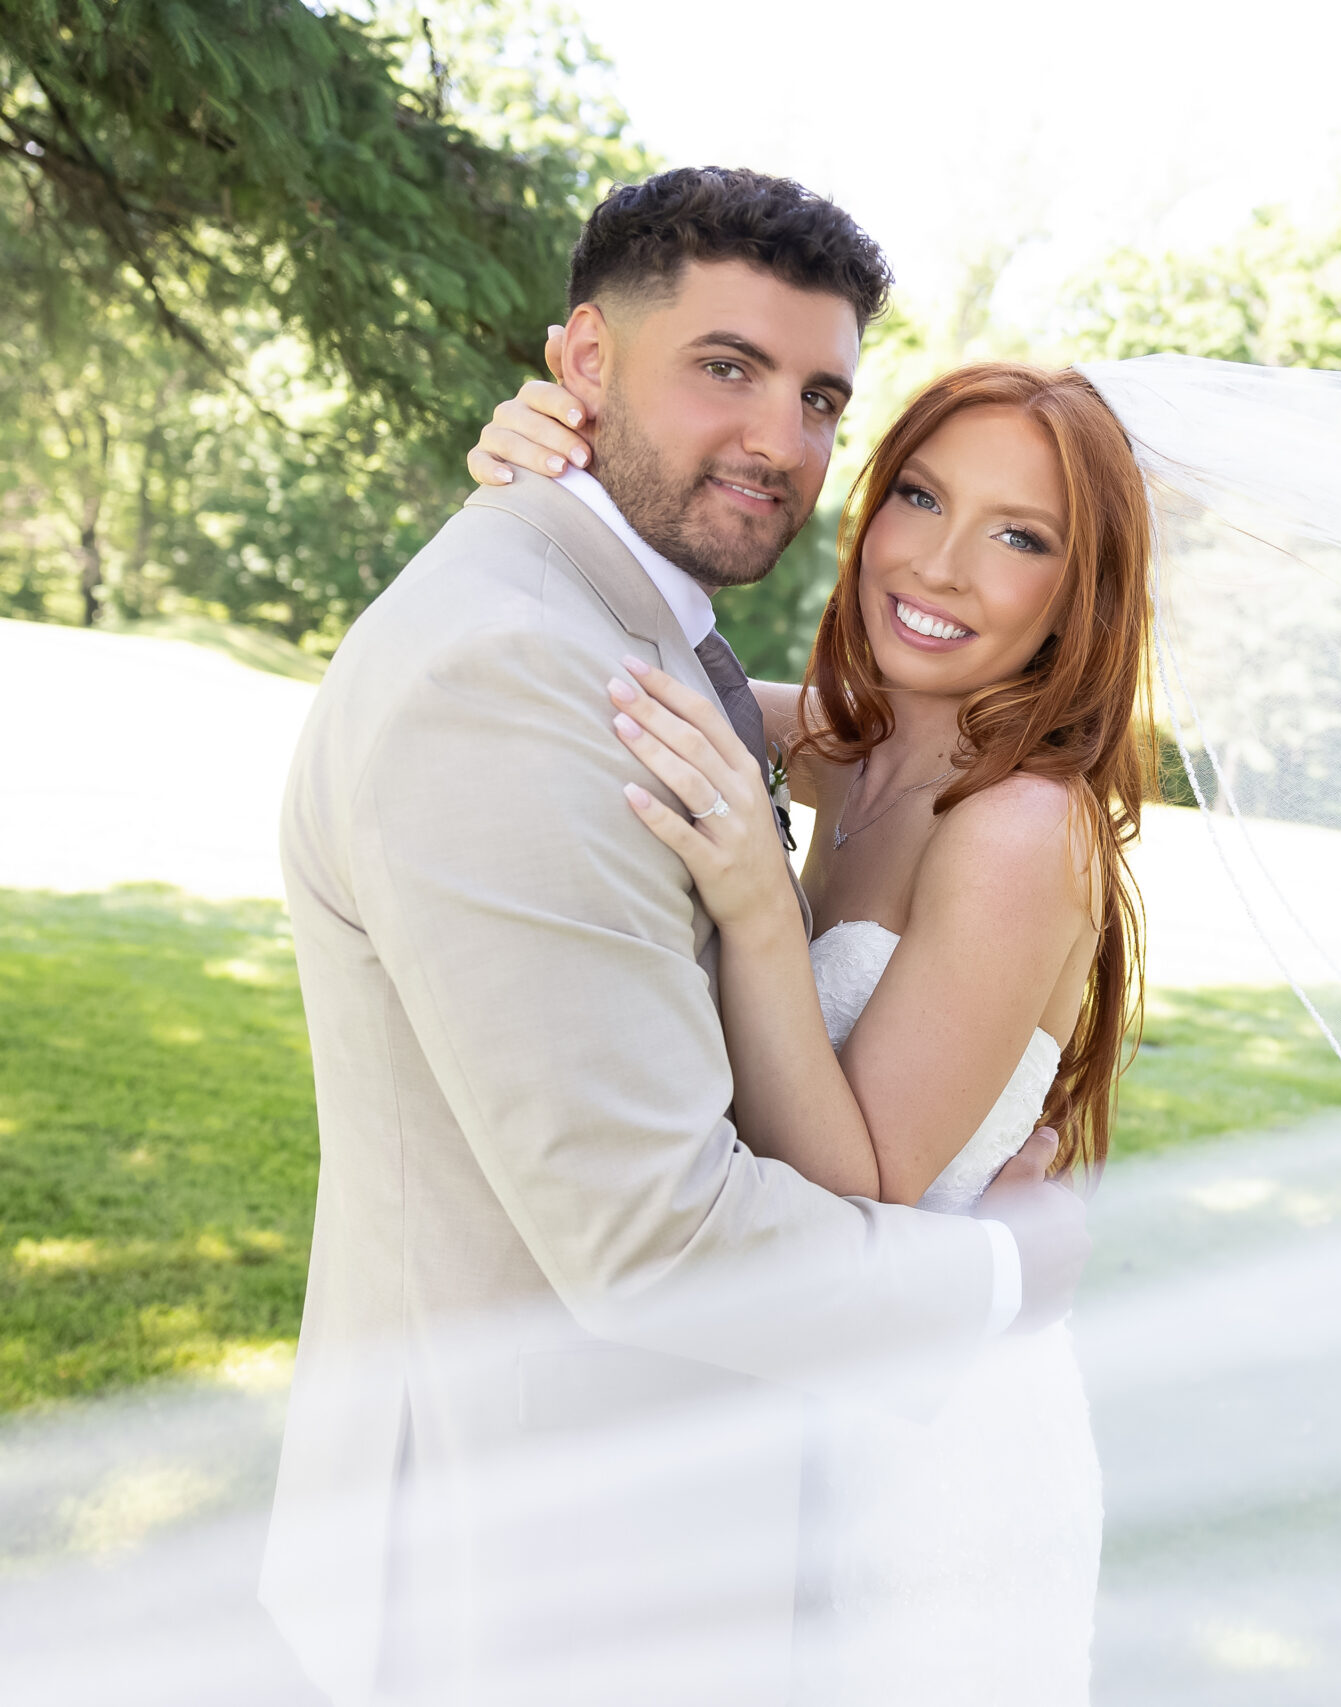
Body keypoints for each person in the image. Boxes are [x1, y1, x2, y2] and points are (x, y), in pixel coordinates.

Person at [265, 167, 1092, 1707]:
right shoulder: (514, 674)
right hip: (522, 1568)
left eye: (822, 398)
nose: (779, 443)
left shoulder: (645, 641)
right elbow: (658, 1239)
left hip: (750, 1504)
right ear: (583, 364)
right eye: (726, 369)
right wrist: (1003, 1277)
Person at [466, 348, 1153, 1693]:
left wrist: (755, 903)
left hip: (931, 1444)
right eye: (919, 498)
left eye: (1020, 537)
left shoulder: (1022, 827)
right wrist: (541, 487)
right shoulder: (863, 743)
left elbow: (865, 1189)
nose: (942, 566)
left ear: (1081, 595)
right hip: (792, 1387)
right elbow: (627, 675)